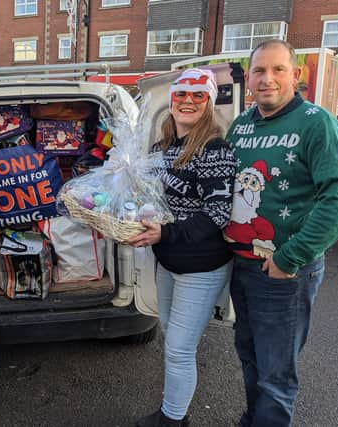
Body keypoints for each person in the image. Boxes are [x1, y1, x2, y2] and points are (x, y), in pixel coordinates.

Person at [223, 40, 338, 427]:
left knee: (276, 374)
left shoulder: (317, 123)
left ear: (295, 75)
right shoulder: (242, 125)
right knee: (249, 357)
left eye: (277, 70)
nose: (267, 79)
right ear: (249, 79)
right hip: (243, 267)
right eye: (259, 71)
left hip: (282, 271)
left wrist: (288, 257)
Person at [129, 68, 236, 427]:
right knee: (170, 342)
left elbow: (217, 214)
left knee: (179, 348)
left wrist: (166, 234)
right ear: (172, 101)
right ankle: (171, 412)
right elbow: (152, 197)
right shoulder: (163, 148)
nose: (187, 101)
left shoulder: (215, 149)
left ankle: (173, 420)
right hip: (168, 261)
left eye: (197, 95)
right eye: (181, 95)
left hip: (201, 266)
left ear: (208, 103)